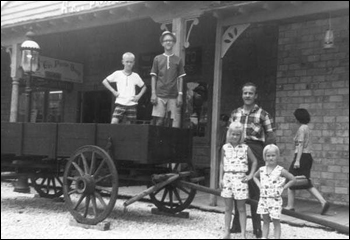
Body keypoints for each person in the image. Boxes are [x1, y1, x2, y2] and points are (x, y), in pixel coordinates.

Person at [229, 82, 276, 238]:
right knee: (238, 186)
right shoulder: (235, 113)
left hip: (256, 150)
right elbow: (230, 135)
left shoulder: (264, 114)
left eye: (250, 93)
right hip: (238, 151)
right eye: (245, 93)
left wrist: (268, 156)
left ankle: (257, 227)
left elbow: (270, 137)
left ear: (256, 96)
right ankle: (236, 225)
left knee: (255, 189)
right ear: (242, 95)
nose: (247, 96)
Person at [284, 108, 330, 215]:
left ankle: (290, 206)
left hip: (301, 157)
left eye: (295, 117)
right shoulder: (307, 128)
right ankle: (323, 202)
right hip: (307, 157)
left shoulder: (301, 129)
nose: (294, 119)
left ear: (298, 118)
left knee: (291, 179)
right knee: (305, 182)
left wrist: (297, 160)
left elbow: (300, 145)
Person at [219, 121, 258, 239]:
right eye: (233, 134)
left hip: (240, 179)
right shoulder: (225, 148)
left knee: (241, 208)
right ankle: (227, 231)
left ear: (241, 135)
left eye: (237, 134)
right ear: (229, 134)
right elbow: (222, 163)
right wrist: (220, 178)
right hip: (228, 178)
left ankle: (243, 233)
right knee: (227, 208)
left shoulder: (245, 148)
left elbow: (255, 161)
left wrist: (251, 175)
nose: (235, 137)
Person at [254, 144, 296, 239]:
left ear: (277, 156)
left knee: (276, 221)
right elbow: (254, 177)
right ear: (265, 157)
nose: (270, 158)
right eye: (268, 155)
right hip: (264, 199)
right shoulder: (262, 170)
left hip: (275, 200)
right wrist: (260, 186)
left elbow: (293, 179)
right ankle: (264, 237)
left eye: (273, 155)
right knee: (265, 220)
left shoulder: (280, 170)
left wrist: (284, 187)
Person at [150, 31, 186, 127]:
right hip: (160, 95)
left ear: (173, 43)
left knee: (173, 122)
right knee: (159, 121)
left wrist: (180, 95)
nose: (168, 42)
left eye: (170, 40)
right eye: (166, 41)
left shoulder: (178, 60)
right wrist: (153, 94)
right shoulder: (157, 59)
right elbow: (154, 76)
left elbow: (180, 78)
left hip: (173, 95)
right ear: (162, 43)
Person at [102, 52, 146, 124]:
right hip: (120, 102)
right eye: (127, 62)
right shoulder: (117, 73)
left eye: (131, 62)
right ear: (123, 62)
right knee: (114, 122)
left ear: (133, 63)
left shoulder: (135, 76)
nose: (129, 64)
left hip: (132, 103)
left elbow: (144, 87)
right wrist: (113, 91)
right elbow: (105, 81)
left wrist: (138, 96)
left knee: (129, 126)